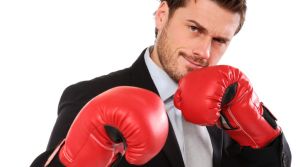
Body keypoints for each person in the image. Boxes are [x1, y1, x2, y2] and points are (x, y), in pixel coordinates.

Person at [31, 0, 292, 166]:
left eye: (219, 40)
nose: (204, 51)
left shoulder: (226, 101)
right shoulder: (90, 95)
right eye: (194, 28)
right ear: (162, 15)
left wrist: (261, 132)